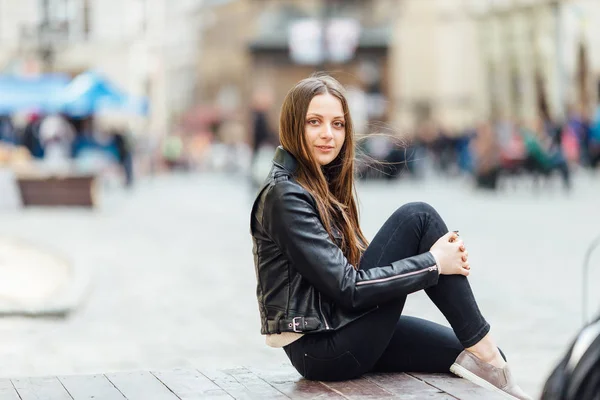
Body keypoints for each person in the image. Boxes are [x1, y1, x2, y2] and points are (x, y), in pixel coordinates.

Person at [249, 74, 532, 399]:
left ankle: (491, 356)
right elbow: (350, 288)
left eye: (338, 124)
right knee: (418, 218)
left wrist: (435, 264)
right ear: (293, 125)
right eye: (315, 122)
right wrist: (435, 264)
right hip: (323, 348)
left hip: (339, 329)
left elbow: (350, 277)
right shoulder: (285, 196)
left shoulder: (315, 182)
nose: (328, 134)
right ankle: (490, 355)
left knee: (469, 356)